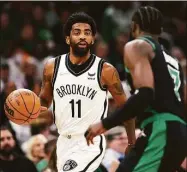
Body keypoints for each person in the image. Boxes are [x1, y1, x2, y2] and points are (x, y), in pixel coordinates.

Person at [85, 6, 187, 172]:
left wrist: (105, 123)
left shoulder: (137, 46)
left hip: (161, 129)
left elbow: (145, 93)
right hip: (177, 131)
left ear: (133, 26)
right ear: (160, 30)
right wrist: (133, 142)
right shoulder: (173, 60)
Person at [38, 12, 136, 172]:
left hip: (90, 142)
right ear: (68, 38)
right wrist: (27, 110)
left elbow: (127, 109)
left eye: (87, 33)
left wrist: (132, 143)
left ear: (92, 39)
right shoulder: (52, 67)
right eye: (77, 32)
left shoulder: (106, 70)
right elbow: (44, 101)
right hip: (63, 141)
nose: (83, 36)